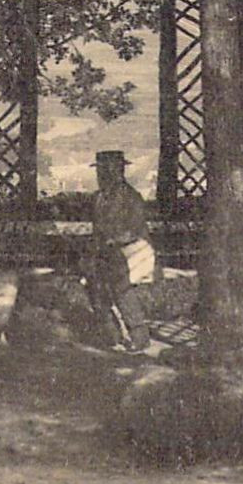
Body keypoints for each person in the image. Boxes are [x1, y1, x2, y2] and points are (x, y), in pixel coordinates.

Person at [86, 150, 155, 351]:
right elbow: (97, 227)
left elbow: (135, 229)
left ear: (120, 170)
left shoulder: (131, 197)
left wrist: (114, 240)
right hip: (104, 251)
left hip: (129, 252)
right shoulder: (98, 198)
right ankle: (111, 335)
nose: (103, 175)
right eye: (101, 171)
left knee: (122, 291)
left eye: (109, 170)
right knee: (96, 290)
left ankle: (139, 337)